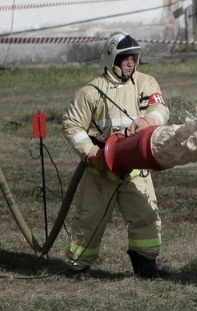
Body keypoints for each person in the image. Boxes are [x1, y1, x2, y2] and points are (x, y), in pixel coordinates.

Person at [62, 32, 170, 280]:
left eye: (134, 57)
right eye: (125, 58)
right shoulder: (91, 92)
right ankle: (79, 268)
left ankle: (146, 266)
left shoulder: (146, 83)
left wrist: (148, 120)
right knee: (90, 220)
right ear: (112, 59)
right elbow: (71, 125)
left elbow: (160, 109)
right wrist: (92, 154)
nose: (131, 63)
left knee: (146, 215)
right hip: (101, 169)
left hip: (135, 167)